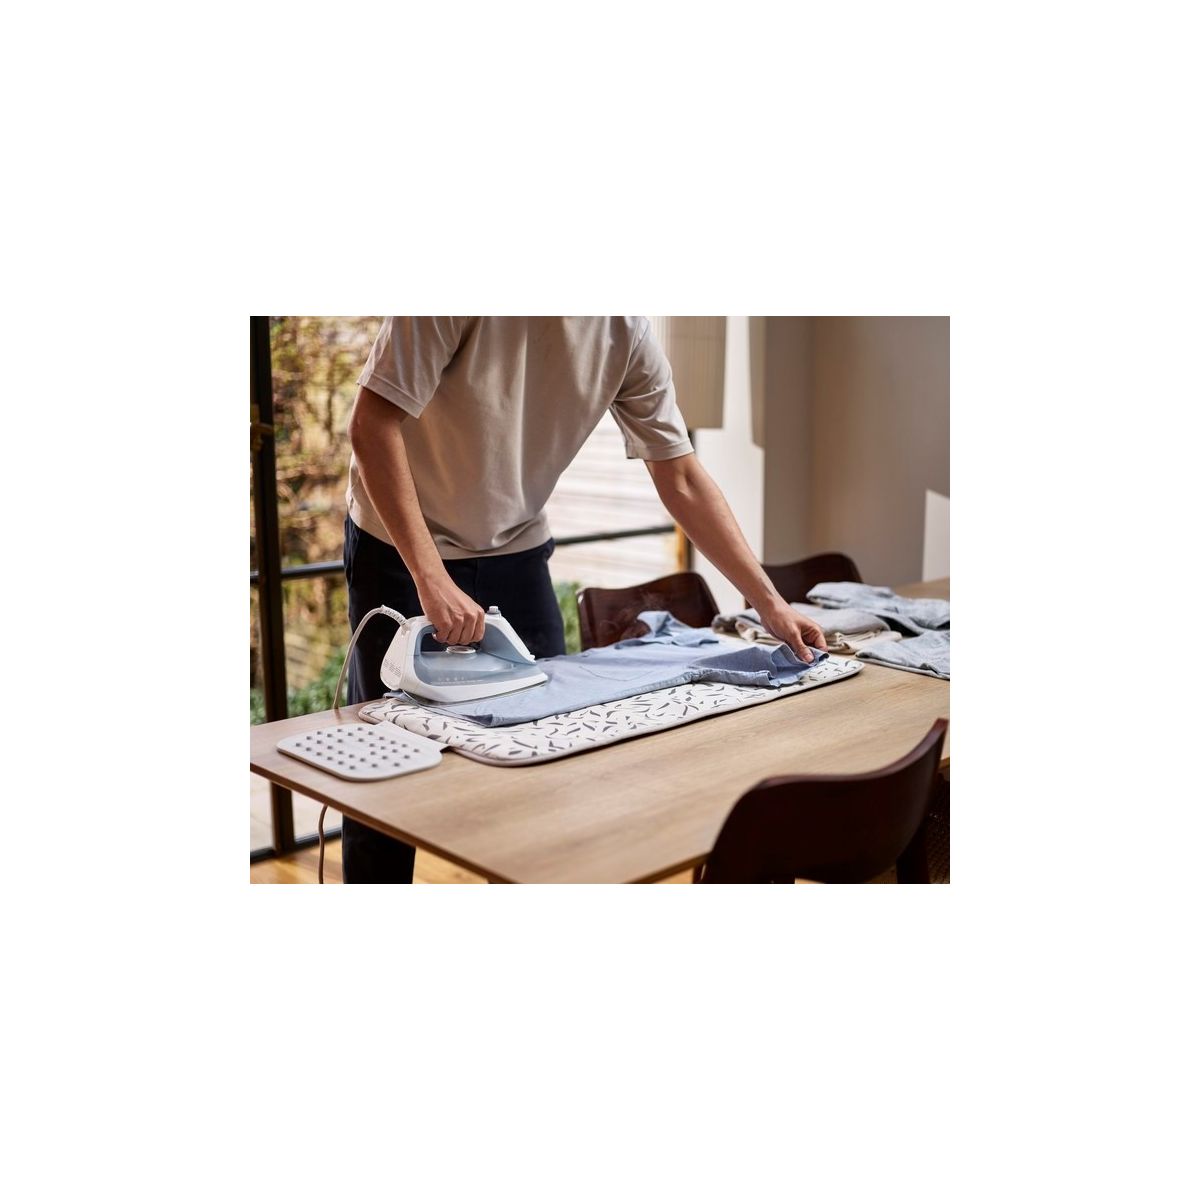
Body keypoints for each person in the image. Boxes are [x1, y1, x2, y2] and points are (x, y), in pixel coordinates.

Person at [342, 316, 827, 884]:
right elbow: (371, 425)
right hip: (400, 544)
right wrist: (429, 575)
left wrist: (768, 602)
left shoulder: (627, 333)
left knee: (548, 749)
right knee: (388, 764)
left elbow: (681, 476)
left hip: (516, 545)